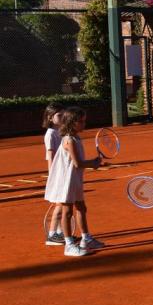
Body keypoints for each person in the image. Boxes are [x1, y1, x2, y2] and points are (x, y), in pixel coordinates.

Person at [43, 106, 104, 257]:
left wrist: (92, 162)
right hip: (66, 181)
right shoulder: (69, 140)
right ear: (72, 122)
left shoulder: (76, 138)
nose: (84, 124)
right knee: (67, 211)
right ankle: (69, 245)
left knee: (81, 207)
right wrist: (93, 163)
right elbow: (78, 163)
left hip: (75, 179)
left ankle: (86, 239)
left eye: (84, 121)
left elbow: (78, 163)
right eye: (81, 121)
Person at [42, 101, 68, 246]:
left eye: (64, 114)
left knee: (63, 204)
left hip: (63, 172)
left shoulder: (61, 132)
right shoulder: (50, 134)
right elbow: (50, 155)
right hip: (57, 174)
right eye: (59, 115)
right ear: (50, 118)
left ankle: (59, 232)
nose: (63, 117)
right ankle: (52, 235)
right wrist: (53, 175)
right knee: (60, 204)